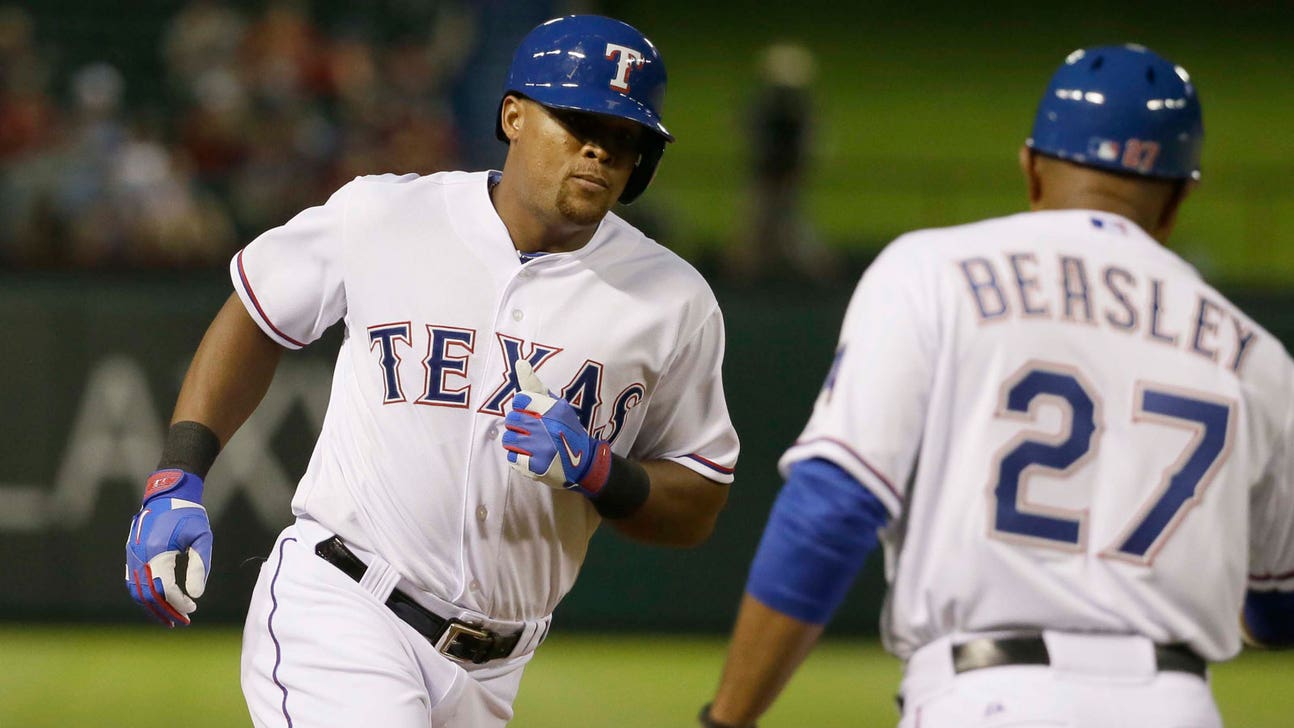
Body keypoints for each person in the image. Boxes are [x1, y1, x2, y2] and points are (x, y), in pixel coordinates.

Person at [123, 14, 739, 727]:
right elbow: (257, 315)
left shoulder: (674, 301)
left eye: (626, 135)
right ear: (513, 115)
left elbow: (698, 499)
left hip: (495, 669)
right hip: (345, 607)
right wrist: (178, 476)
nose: (600, 147)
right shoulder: (388, 216)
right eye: (577, 120)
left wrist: (603, 472)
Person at [701, 44, 1294, 728]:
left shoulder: (932, 272)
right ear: (1182, 195)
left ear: (1032, 166)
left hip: (987, 696)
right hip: (1176, 703)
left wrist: (730, 718)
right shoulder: (1258, 357)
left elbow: (833, 507)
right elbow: (1278, 608)